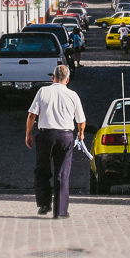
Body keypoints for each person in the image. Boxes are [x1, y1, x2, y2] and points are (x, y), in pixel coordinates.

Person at [26, 65, 86, 219]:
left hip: (46, 135)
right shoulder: (73, 95)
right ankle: (60, 211)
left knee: (42, 170)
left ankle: (44, 204)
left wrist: (28, 133)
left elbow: (32, 115)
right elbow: (81, 120)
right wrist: (81, 132)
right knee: (62, 174)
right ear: (67, 80)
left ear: (52, 78)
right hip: (66, 136)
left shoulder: (43, 91)